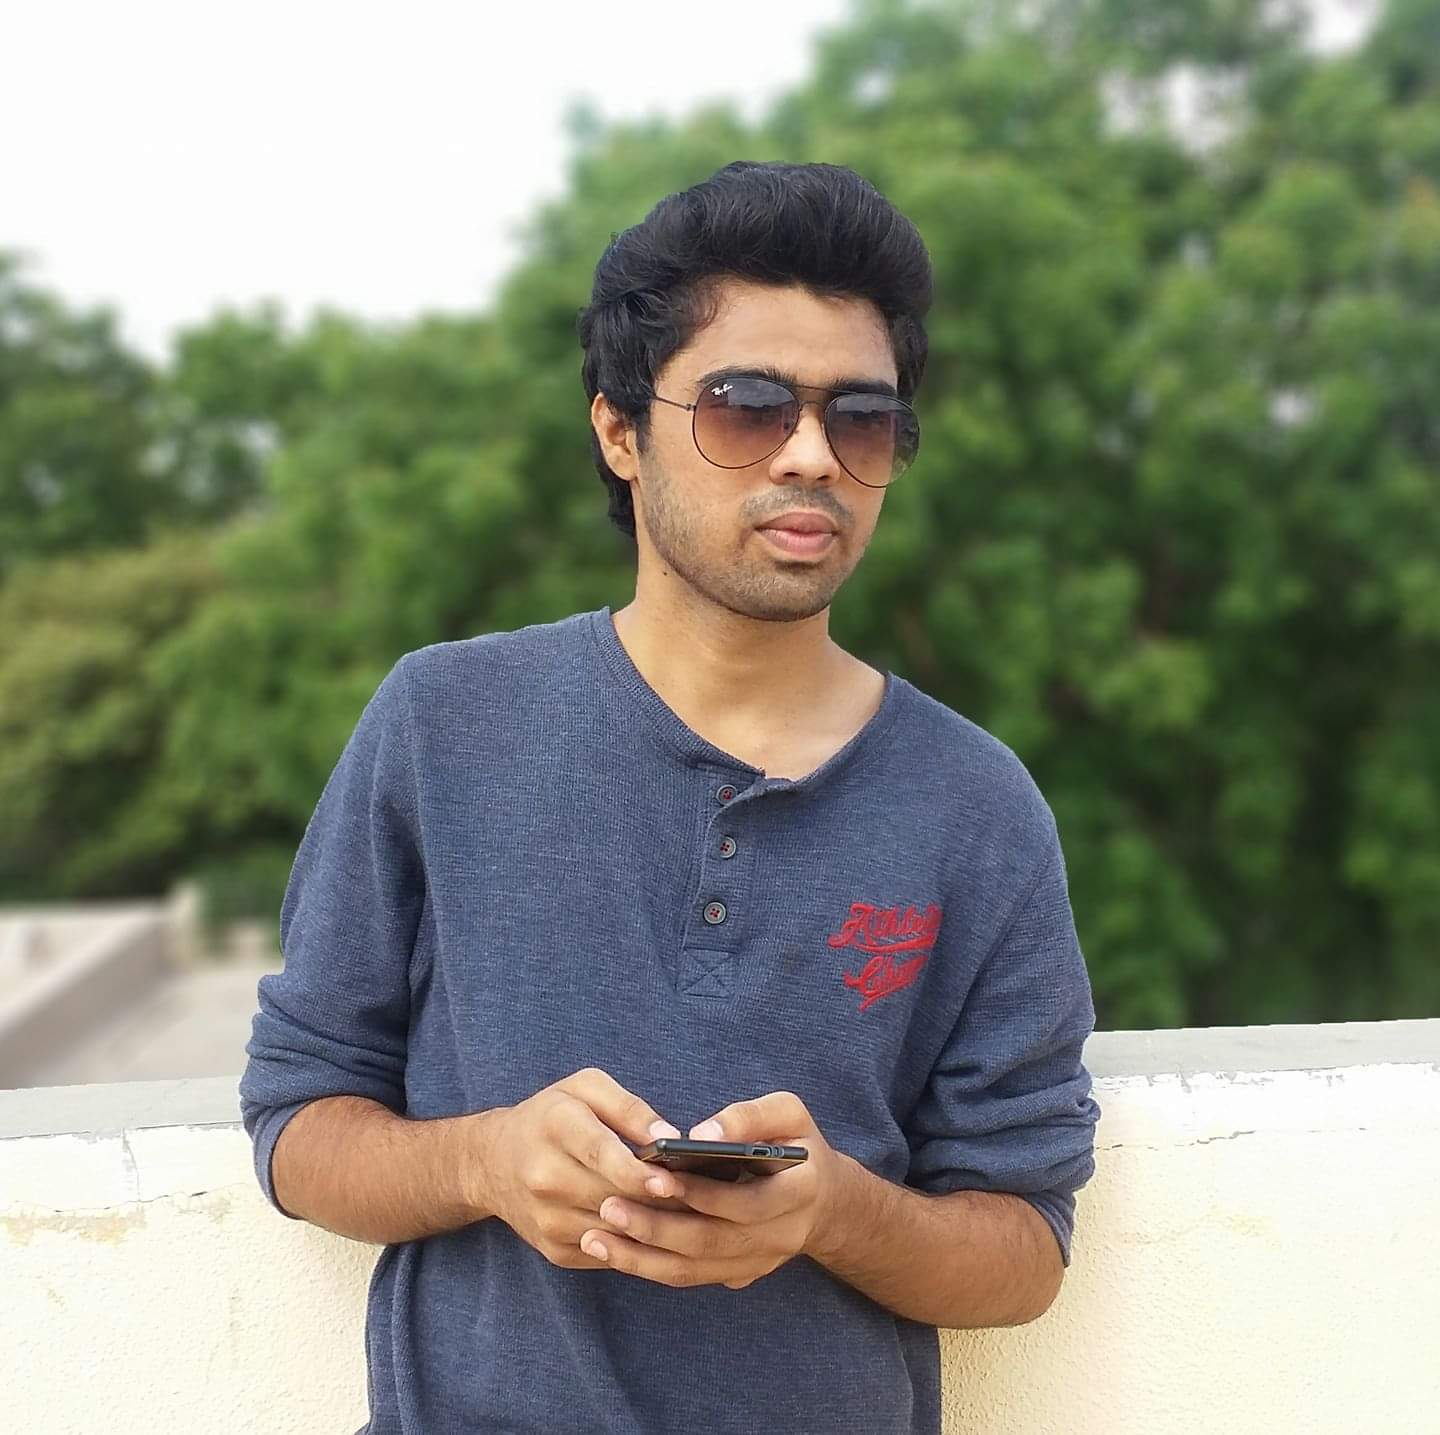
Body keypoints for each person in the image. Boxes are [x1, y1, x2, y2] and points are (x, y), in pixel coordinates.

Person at [239, 159, 1101, 1435]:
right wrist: (485, 1160)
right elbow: (296, 1122)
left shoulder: (976, 805)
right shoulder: (444, 722)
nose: (810, 454)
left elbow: (1024, 1245)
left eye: (862, 418)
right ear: (619, 431)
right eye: (749, 406)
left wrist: (830, 1209)